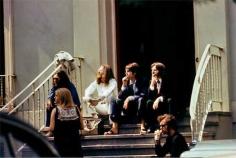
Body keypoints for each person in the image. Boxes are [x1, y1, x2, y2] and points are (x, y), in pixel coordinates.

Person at [105, 62, 148, 135]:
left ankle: (142, 125)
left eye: (128, 71)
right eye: (125, 71)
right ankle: (115, 126)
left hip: (139, 107)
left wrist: (130, 98)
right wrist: (124, 86)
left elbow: (144, 95)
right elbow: (120, 97)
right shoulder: (127, 82)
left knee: (141, 99)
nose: (126, 73)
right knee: (114, 101)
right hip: (128, 109)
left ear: (134, 73)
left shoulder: (143, 80)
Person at [43, 88, 84, 157]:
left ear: (62, 97)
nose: (54, 97)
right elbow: (82, 127)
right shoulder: (76, 109)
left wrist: (43, 129)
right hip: (75, 146)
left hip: (61, 146)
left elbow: (52, 128)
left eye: (56, 95)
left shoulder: (55, 111)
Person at [83, 64, 118, 134]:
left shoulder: (112, 81)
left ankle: (113, 127)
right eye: (99, 73)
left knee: (111, 99)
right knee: (85, 99)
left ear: (107, 73)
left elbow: (107, 93)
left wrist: (98, 100)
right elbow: (88, 91)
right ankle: (89, 125)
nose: (100, 75)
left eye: (102, 73)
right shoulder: (97, 82)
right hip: (102, 107)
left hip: (112, 107)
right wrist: (89, 100)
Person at [141, 62, 169, 134]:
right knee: (148, 102)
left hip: (164, 102)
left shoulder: (166, 80)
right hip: (155, 105)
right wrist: (152, 85)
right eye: (152, 70)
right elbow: (149, 96)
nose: (153, 72)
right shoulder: (151, 81)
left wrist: (159, 98)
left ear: (160, 71)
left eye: (155, 70)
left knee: (169, 100)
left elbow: (169, 94)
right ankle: (151, 126)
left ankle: (168, 125)